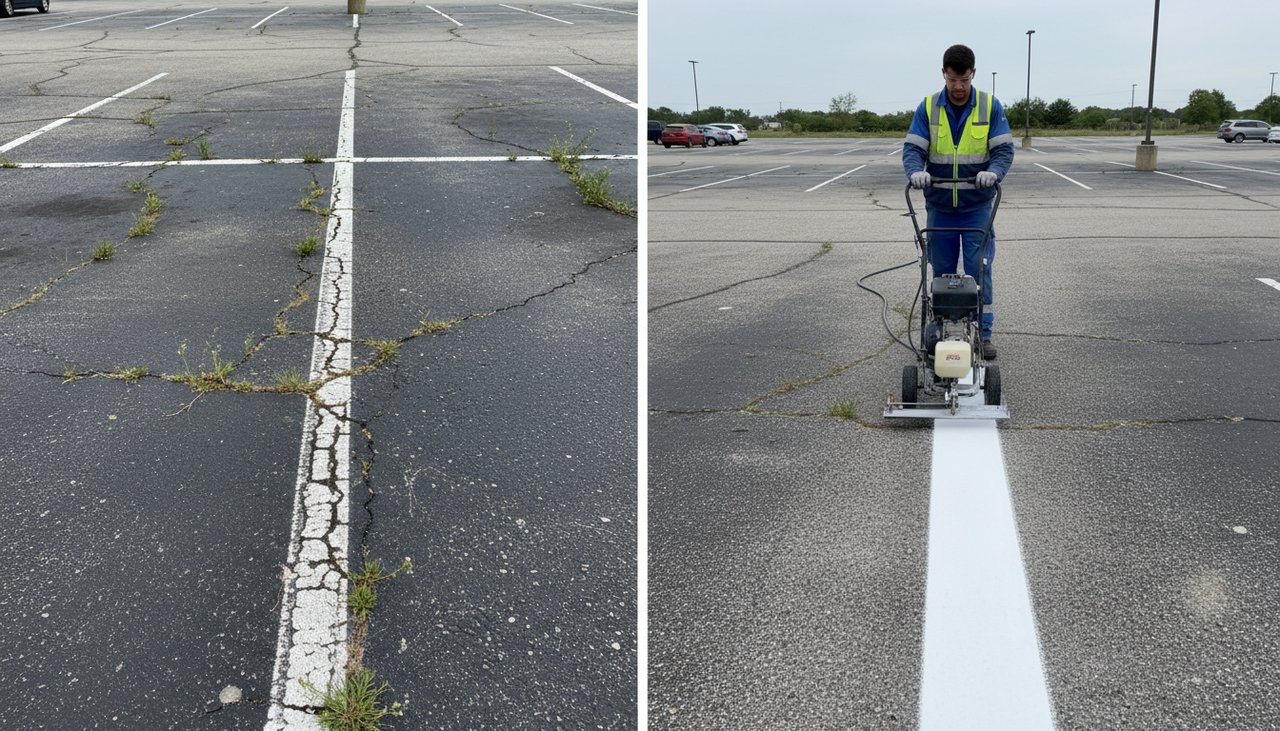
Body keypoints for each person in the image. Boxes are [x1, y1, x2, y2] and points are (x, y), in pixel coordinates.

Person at [902, 44, 1014, 360]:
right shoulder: (927, 108)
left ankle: (984, 334)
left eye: (964, 80)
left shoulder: (990, 107)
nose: (958, 87)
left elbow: (1004, 151)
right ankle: (938, 331)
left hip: (977, 205)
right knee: (942, 272)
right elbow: (913, 150)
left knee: (980, 269)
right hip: (940, 205)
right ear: (944, 75)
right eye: (953, 80)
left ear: (973, 74)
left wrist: (993, 172)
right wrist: (915, 172)